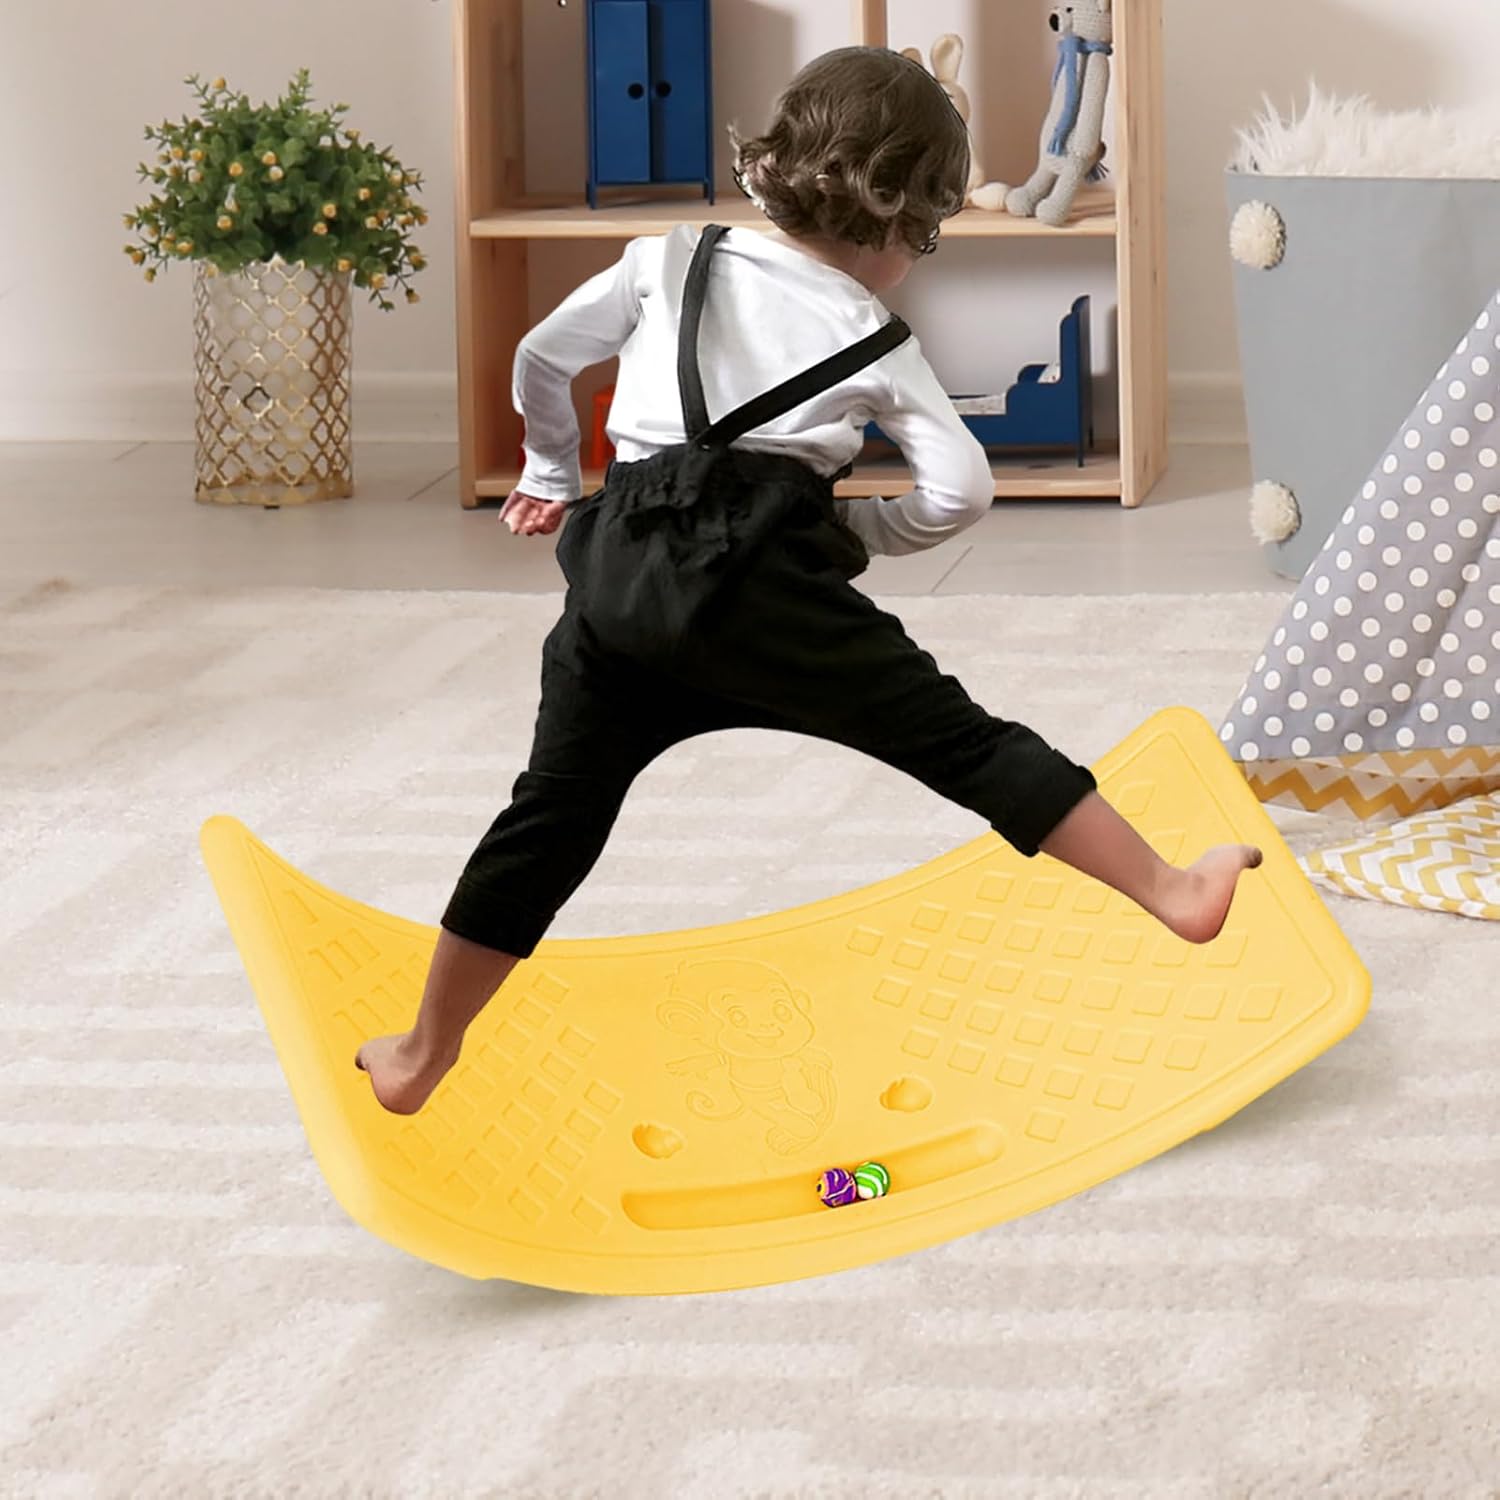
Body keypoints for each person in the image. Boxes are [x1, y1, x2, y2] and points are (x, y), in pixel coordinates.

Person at [357, 47, 1261, 1115]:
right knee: (964, 745)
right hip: (770, 593)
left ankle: (423, 1052)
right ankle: (1172, 889)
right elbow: (962, 491)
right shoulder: (872, 334)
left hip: (622, 580)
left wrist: (552, 471)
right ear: (902, 223)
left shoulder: (666, 259)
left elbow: (543, 357)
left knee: (550, 816)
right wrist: (856, 534)